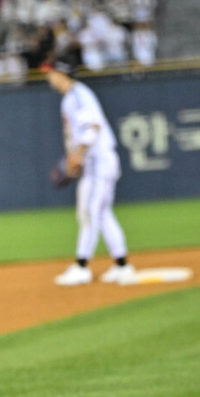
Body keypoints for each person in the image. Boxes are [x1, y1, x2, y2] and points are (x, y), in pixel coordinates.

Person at [42, 59, 135, 286]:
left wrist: (78, 154)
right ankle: (122, 265)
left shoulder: (78, 95)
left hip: (98, 161)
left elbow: (93, 127)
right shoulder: (72, 96)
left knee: (93, 212)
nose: (48, 77)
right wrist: (78, 154)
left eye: (51, 73)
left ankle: (82, 266)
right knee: (96, 213)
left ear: (61, 74)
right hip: (95, 162)